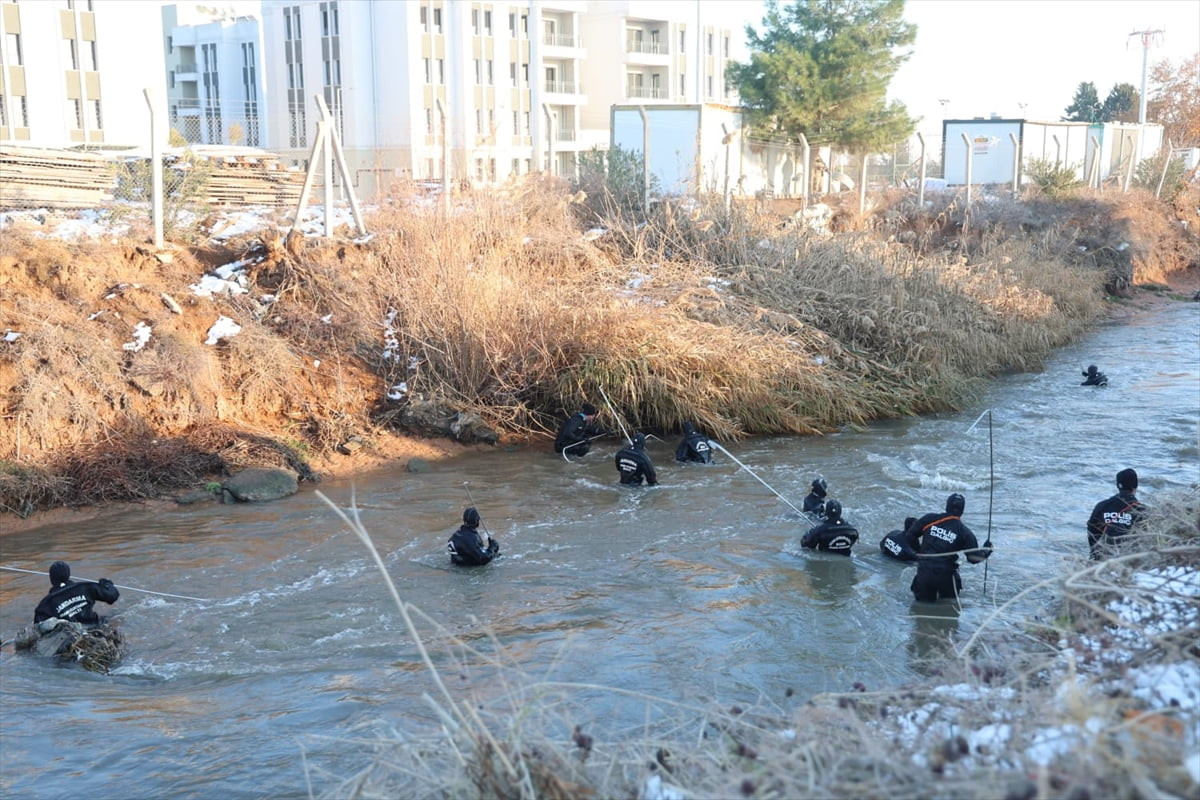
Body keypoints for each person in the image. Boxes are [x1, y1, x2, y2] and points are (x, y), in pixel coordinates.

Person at [910, 493, 992, 603]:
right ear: (962, 511)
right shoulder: (965, 532)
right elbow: (973, 558)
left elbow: (910, 536)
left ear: (946, 506)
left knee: (921, 609)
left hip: (924, 574)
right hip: (946, 578)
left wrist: (919, 554)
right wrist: (986, 551)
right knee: (949, 609)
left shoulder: (929, 519)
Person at [33, 561, 120, 624]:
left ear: (51, 579)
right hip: (94, 626)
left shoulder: (45, 604)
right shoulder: (85, 587)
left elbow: (38, 627)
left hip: (71, 635)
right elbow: (113, 596)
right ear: (68, 575)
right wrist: (107, 584)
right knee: (114, 616)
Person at [1087, 468, 1145, 560]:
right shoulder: (1141, 510)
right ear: (1135, 486)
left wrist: (1095, 554)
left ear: (1117, 485)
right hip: (1128, 560)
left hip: (1103, 558)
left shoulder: (1101, 506)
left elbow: (1091, 530)